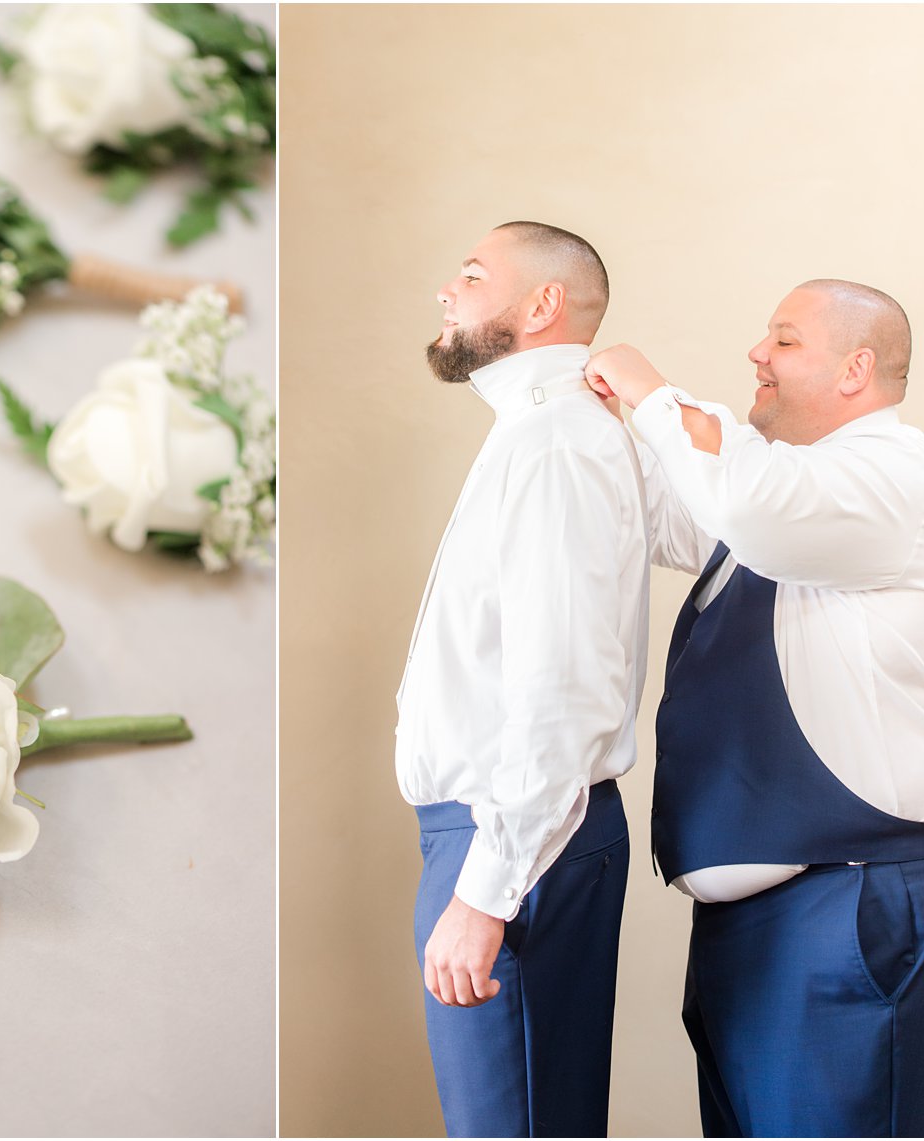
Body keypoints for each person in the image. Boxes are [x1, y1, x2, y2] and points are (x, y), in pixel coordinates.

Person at [585, 280, 924, 1138]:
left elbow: (744, 507)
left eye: (786, 340)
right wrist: (592, 426)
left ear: (857, 368)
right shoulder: (805, 487)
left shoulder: (894, 476)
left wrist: (653, 391)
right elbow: (673, 515)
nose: (756, 355)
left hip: (853, 900)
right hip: (772, 916)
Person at [395, 221, 650, 1138]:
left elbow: (563, 689)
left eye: (470, 274)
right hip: (496, 834)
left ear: (542, 304)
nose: (445, 292)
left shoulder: (556, 443)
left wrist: (485, 892)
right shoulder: (546, 434)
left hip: (514, 839)